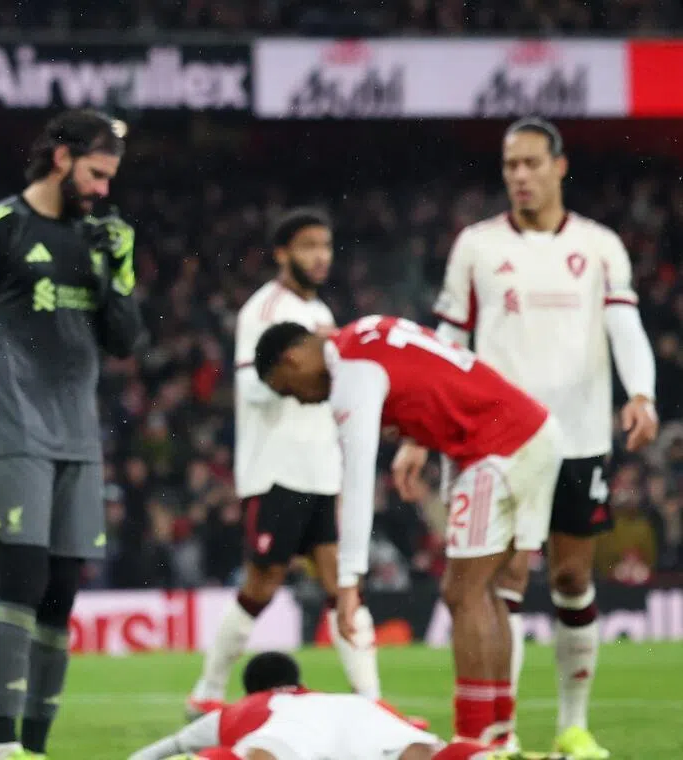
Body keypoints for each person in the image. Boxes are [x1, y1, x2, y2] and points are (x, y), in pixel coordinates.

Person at [419, 117, 658, 759]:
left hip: (578, 439)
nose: (519, 176)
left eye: (530, 163)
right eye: (509, 166)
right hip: (497, 444)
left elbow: (626, 328)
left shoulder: (601, 246)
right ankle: (502, 732)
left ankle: (573, 727)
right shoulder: (475, 245)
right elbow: (449, 341)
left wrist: (642, 393)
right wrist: (423, 420)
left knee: (573, 577)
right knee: (502, 584)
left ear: (560, 166)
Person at [0, 109, 146, 760]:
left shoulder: (104, 238)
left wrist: (122, 274)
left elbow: (124, 343)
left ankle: (34, 746)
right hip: (13, 428)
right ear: (62, 159)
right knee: (21, 585)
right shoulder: (1, 226)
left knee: (61, 601)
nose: (104, 190)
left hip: (80, 440)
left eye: (111, 177)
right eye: (97, 174)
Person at [253, 316, 564, 748]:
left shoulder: (349, 377)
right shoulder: (366, 331)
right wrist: (417, 436)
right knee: (487, 592)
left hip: (497, 447)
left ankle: (473, 740)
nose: (303, 401)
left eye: (289, 388)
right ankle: (498, 738)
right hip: (528, 431)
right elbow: (432, 372)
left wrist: (347, 584)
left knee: (464, 593)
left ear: (292, 359)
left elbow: (358, 481)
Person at [187, 208, 380, 719]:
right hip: (276, 469)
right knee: (262, 586)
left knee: (343, 584)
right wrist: (296, 376)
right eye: (309, 245)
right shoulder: (264, 310)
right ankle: (206, 692)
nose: (320, 256)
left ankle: (373, 704)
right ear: (282, 252)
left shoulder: (323, 314)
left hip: (321, 470)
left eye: (326, 246)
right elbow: (250, 387)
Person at [136, 651, 518, 760]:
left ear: (253, 689)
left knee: (252, 756)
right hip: (362, 721)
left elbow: (161, 749)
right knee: (424, 753)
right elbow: (412, 726)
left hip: (290, 738)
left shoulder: (246, 709)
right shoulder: (346, 701)